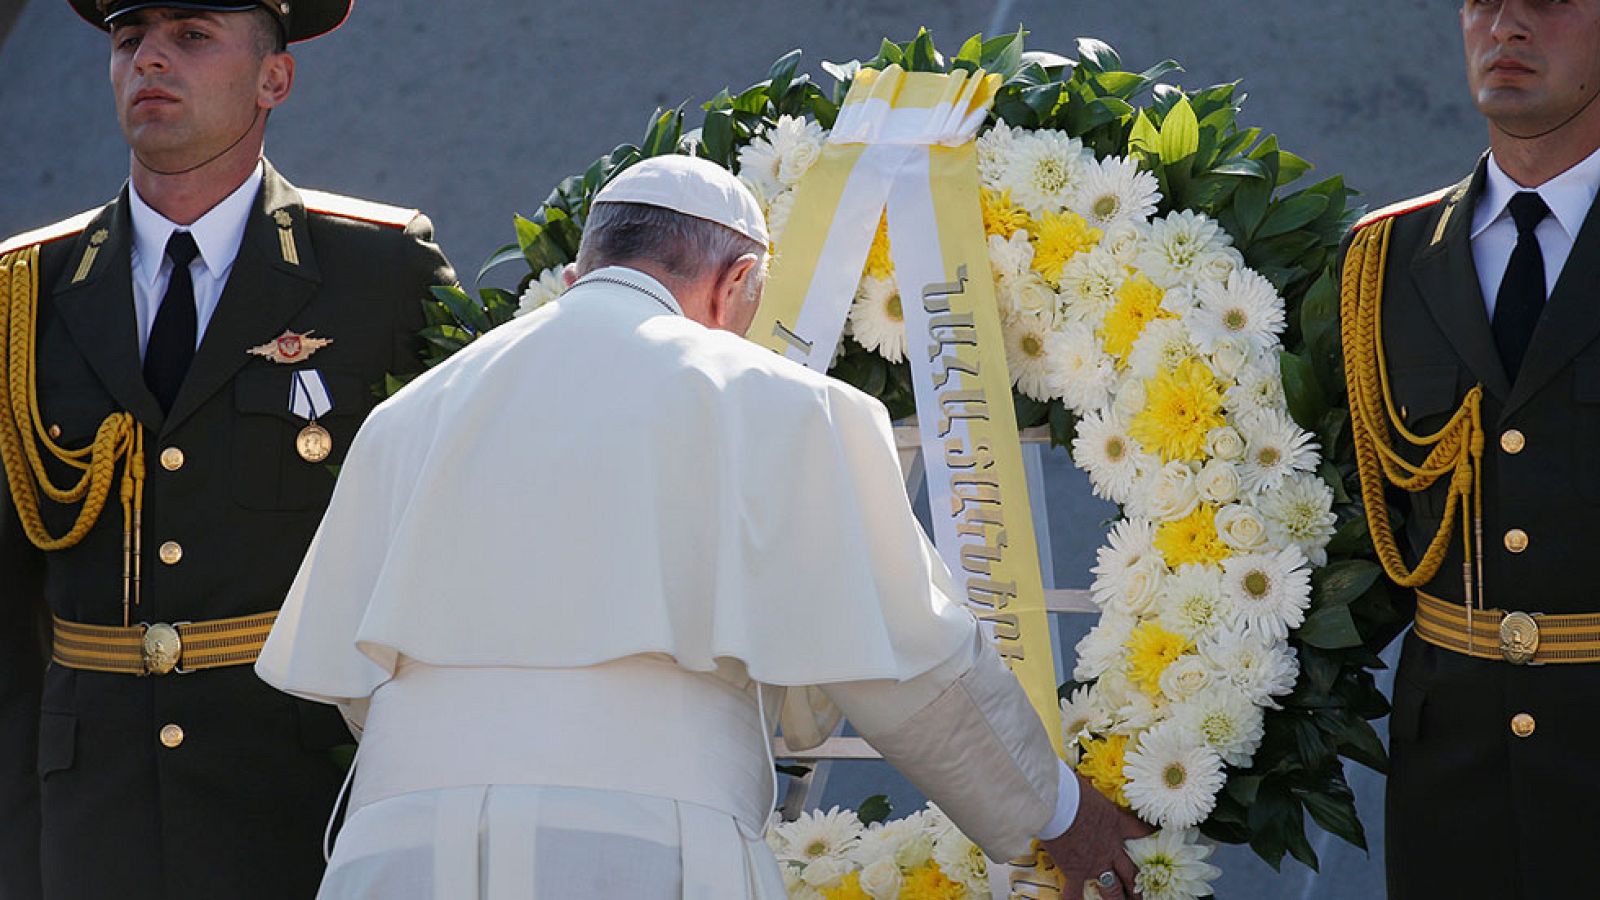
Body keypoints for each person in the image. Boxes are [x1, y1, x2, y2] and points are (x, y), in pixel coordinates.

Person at [256, 154, 1150, 899]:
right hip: (639, 848)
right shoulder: (783, 403)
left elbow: (351, 674)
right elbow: (909, 663)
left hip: (397, 852)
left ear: (577, 274)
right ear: (736, 283)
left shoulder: (412, 412)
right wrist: (1056, 814)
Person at [0, 2, 454, 897]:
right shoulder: (26, 291)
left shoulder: (380, 272)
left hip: (300, 798)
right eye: (131, 41)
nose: (151, 61)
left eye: (193, 37)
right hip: (86, 810)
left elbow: (442, 548)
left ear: (272, 79)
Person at [1338, 1, 1600, 897]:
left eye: (1551, 1)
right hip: (1453, 783)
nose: (1508, 26)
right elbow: (1349, 531)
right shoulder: (1384, 258)